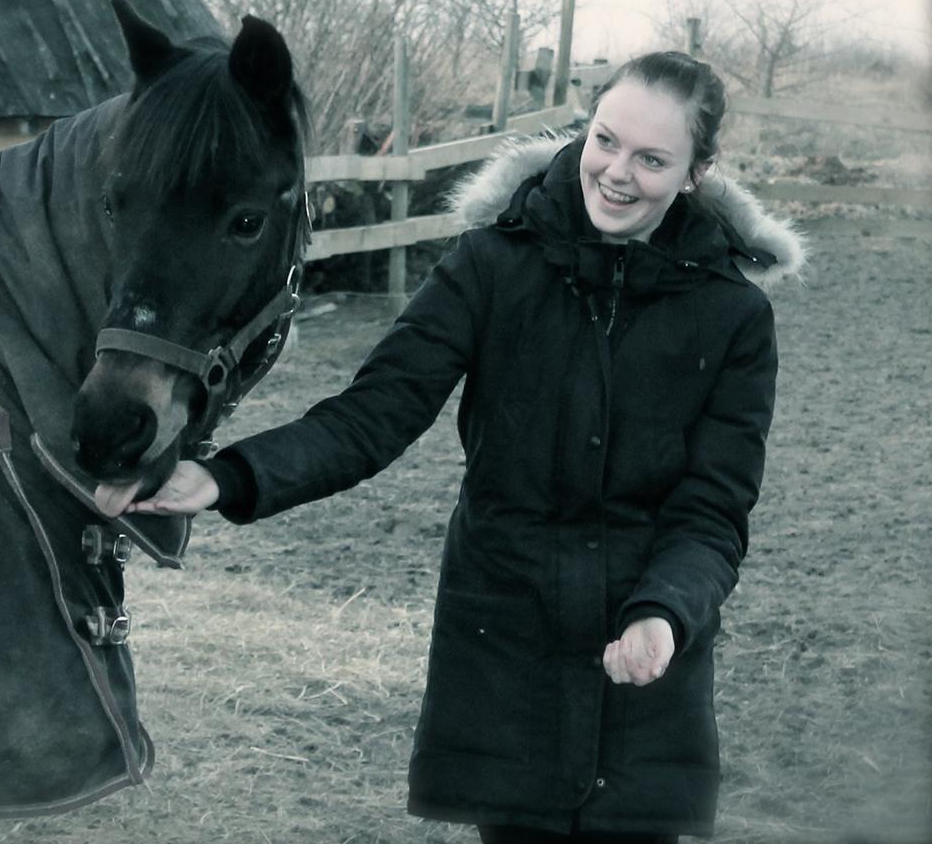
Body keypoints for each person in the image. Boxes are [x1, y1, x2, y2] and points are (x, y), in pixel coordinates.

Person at [131, 52, 806, 842]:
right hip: (505, 655)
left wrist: (666, 613)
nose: (617, 173)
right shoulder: (492, 263)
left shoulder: (733, 316)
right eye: (606, 140)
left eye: (652, 159)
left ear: (696, 173)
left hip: (644, 664)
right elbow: (373, 414)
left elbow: (714, 510)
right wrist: (227, 477)